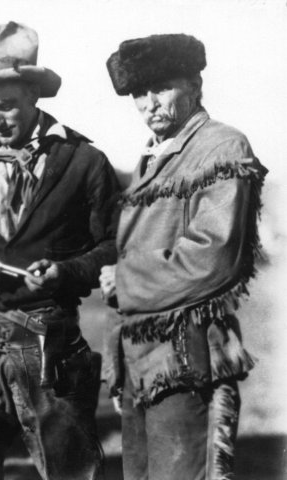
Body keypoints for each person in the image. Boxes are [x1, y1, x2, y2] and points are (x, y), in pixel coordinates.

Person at [0, 21, 121, 480]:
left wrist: (65, 271)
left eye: (6, 109)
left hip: (46, 348)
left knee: (69, 472)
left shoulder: (83, 162)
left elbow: (115, 245)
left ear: (34, 95)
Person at [99, 33, 268, 480]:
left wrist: (126, 281)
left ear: (194, 84)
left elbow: (213, 257)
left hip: (185, 356)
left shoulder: (221, 146)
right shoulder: (154, 158)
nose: (149, 103)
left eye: (161, 87)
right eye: (139, 93)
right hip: (143, 359)